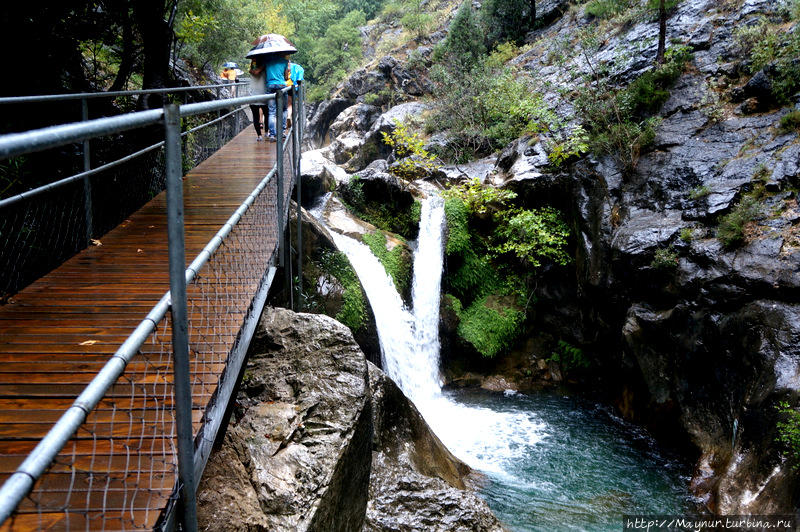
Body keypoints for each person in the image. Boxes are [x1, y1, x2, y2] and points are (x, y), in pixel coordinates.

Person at [263, 53, 290, 141]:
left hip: (270, 86)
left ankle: (272, 135)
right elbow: (286, 77)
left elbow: (265, 75)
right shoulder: (285, 62)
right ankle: (282, 132)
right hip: (281, 86)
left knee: (271, 112)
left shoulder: (267, 61)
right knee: (284, 109)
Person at [248, 58, 267, 141]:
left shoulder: (251, 70)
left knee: (255, 117)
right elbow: (258, 72)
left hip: (253, 95)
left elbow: (255, 72)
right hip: (264, 94)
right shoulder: (265, 68)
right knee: (268, 114)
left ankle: (259, 136)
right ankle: (267, 132)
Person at [285, 61, 305, 128]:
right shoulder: (296, 66)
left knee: (288, 104)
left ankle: (288, 117)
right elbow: (301, 71)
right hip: (293, 86)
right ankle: (290, 117)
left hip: (285, 87)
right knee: (291, 104)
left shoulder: (282, 66)